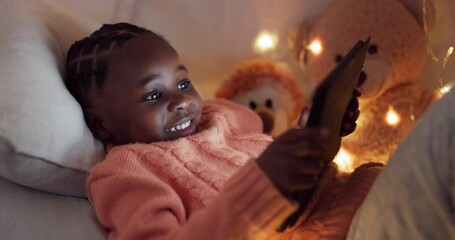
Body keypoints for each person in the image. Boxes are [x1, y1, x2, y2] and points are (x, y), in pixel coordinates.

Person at [65, 22, 382, 240]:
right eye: (152, 95)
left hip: (354, 190)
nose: (180, 101)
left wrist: (317, 131)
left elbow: (265, 155)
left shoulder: (218, 116)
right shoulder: (127, 171)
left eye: (183, 83)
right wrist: (258, 189)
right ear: (100, 124)